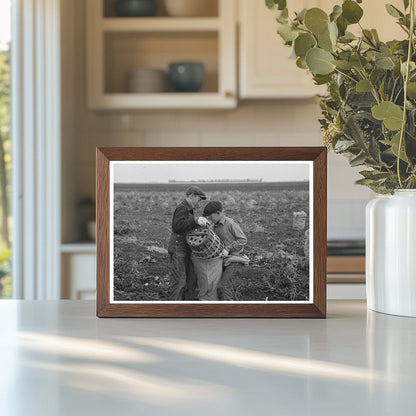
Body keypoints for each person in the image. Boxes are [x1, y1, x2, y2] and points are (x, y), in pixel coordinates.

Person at [168, 186, 209, 300]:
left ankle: (185, 307)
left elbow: (185, 226)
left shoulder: (188, 210)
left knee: (190, 280)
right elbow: (177, 226)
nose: (199, 202)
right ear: (191, 196)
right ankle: (173, 310)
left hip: (184, 249)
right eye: (199, 199)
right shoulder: (182, 208)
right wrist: (195, 220)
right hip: (177, 249)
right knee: (179, 281)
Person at [202, 201, 249, 300]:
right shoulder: (213, 225)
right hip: (223, 261)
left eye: (210, 216)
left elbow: (243, 240)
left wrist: (228, 248)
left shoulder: (230, 223)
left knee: (223, 287)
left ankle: (229, 313)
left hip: (235, 260)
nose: (209, 219)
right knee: (211, 287)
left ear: (218, 213)